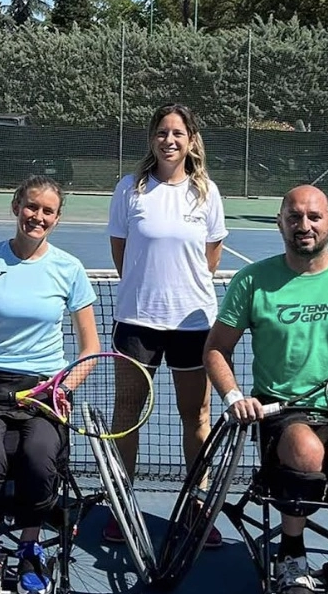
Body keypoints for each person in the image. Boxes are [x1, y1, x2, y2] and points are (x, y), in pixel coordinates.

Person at [203, 185, 328, 594]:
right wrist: (234, 397)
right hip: (281, 408)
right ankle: (291, 554)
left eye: (313, 217)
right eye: (294, 217)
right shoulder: (252, 281)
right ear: (280, 222)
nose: (304, 225)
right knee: (305, 451)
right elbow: (216, 349)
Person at [0, 176, 99, 594]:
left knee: (39, 456)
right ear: (16, 207)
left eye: (48, 211)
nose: (38, 216)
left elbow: (90, 347)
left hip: (45, 389)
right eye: (32, 207)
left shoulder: (69, 269)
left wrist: (64, 388)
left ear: (57, 218)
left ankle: (31, 548)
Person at [103, 104, 228, 547]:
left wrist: (182, 291)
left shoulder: (207, 193)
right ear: (152, 139)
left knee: (196, 417)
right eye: (161, 132)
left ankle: (196, 504)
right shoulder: (129, 190)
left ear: (191, 140)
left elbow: (210, 257)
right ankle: (121, 505)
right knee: (127, 417)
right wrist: (148, 290)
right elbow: (122, 252)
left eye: (177, 133)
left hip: (194, 325)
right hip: (137, 324)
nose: (169, 140)